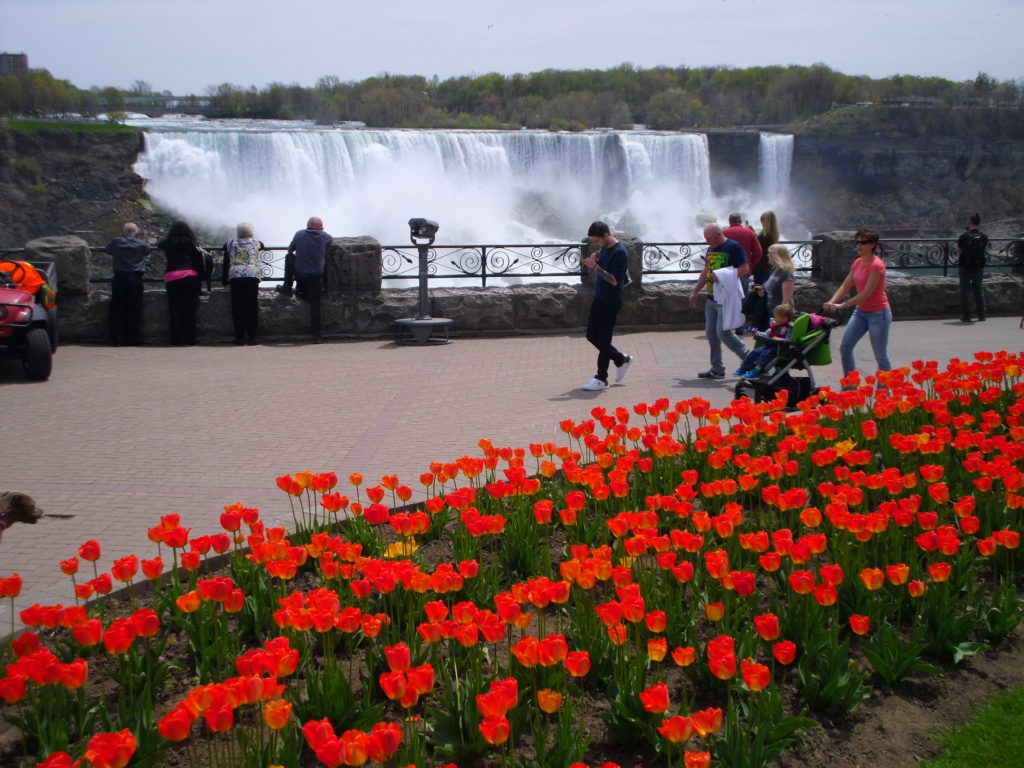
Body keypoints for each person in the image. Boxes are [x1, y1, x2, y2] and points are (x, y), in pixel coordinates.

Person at [823, 228, 892, 381]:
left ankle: (884, 391)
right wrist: (832, 301)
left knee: (880, 355)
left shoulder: (877, 265)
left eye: (863, 242)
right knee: (845, 348)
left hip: (878, 314)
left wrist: (842, 305)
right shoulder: (857, 262)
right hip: (861, 312)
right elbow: (846, 285)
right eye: (857, 242)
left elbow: (866, 293)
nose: (859, 245)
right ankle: (850, 386)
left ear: (873, 244)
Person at [689, 223, 749, 379]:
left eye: (710, 238)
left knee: (723, 332)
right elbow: (706, 271)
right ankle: (717, 368)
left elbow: (744, 269)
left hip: (726, 297)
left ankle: (749, 357)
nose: (708, 241)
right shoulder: (711, 249)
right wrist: (695, 291)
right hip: (711, 297)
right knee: (711, 333)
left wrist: (724, 275)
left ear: (719, 233)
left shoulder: (733, 247)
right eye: (706, 238)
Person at [580, 221, 631, 391]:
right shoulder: (604, 248)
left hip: (611, 300)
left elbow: (615, 280)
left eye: (597, 241)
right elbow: (601, 256)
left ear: (606, 236)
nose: (596, 244)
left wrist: (594, 266)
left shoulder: (620, 252)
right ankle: (620, 359)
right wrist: (596, 256)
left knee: (604, 338)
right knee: (591, 335)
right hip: (599, 297)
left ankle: (601, 378)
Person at [279, 216, 331, 342]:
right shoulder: (324, 236)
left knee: (289, 257)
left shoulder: (299, 234)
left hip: (300, 275)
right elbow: (331, 239)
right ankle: (317, 335)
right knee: (316, 305)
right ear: (319, 227)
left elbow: (290, 250)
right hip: (316, 276)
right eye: (322, 226)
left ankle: (287, 286)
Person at [157, 221, 205, 346]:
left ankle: (177, 339)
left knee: (175, 309)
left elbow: (159, 245)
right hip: (189, 276)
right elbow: (197, 258)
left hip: (172, 277)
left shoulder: (168, 242)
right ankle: (190, 339)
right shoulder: (191, 243)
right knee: (190, 309)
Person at [104, 222, 150, 346]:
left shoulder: (116, 242)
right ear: (136, 232)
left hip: (120, 277)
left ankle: (117, 338)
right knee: (134, 308)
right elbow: (147, 251)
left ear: (124, 232)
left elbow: (108, 250)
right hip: (136, 278)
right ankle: (133, 338)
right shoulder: (141, 244)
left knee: (117, 308)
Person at [222, 223, 264, 345]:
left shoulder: (230, 243)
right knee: (252, 306)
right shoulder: (256, 242)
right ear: (251, 232)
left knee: (237, 307)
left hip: (236, 276)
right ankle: (252, 337)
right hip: (252, 276)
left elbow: (225, 253)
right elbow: (262, 247)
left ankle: (239, 337)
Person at [732, 303, 795, 379]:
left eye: (776, 317)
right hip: (769, 345)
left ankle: (757, 370)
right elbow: (766, 334)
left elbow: (789, 339)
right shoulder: (774, 325)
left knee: (765, 354)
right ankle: (744, 368)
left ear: (784, 319)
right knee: (755, 352)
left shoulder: (789, 328)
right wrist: (757, 333)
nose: (774, 319)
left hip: (779, 349)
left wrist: (779, 339)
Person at [956, 213, 988, 323]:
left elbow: (958, 249)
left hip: (964, 266)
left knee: (965, 291)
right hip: (978, 266)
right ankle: (982, 315)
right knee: (979, 290)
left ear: (970, 223)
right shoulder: (983, 236)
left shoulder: (964, 236)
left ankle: (967, 316)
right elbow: (985, 249)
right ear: (979, 224)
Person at [723, 213, 763, 293]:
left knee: (728, 298)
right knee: (742, 298)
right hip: (744, 270)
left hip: (727, 271)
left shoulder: (724, 233)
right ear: (740, 221)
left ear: (729, 222)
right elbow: (758, 252)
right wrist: (750, 264)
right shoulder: (750, 233)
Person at [763, 243, 796, 313]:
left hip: (780, 314)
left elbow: (786, 300)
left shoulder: (786, 274)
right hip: (771, 310)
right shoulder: (775, 269)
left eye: (769, 253)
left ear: (775, 256)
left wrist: (779, 316)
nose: (767, 255)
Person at [755, 210, 780, 286]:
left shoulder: (765, 235)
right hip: (768, 267)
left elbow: (757, 246)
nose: (761, 222)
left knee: (760, 291)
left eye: (762, 219)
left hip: (761, 267)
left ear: (767, 221)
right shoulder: (773, 234)